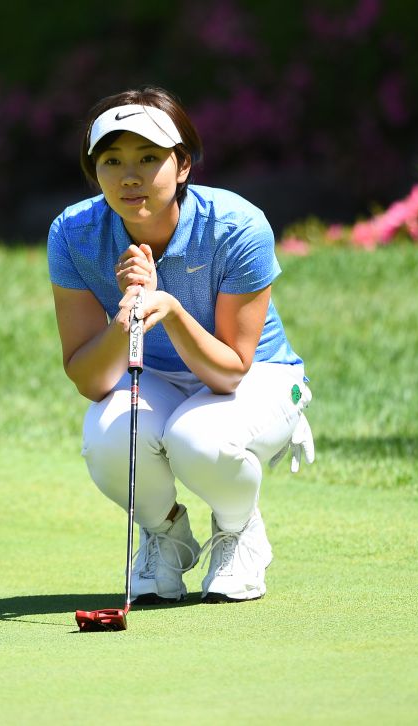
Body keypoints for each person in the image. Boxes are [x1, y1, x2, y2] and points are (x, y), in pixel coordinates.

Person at [47, 86, 314, 604]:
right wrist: (126, 315)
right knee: (107, 439)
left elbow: (230, 371)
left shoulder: (236, 225)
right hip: (160, 377)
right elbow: (89, 379)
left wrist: (168, 307)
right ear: (94, 170)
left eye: (149, 158)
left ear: (183, 164)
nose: (130, 176)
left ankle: (239, 530)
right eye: (112, 160)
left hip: (257, 376)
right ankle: (165, 535)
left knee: (198, 439)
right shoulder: (73, 233)